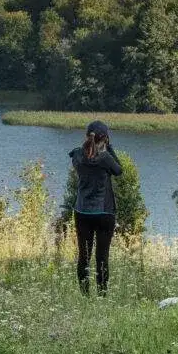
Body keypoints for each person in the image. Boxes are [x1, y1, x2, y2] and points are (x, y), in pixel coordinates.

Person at [68, 120, 122, 296]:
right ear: (105, 138)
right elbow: (119, 170)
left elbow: (77, 156)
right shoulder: (105, 158)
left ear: (87, 136)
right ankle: (102, 294)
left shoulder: (77, 155)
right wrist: (110, 147)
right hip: (104, 212)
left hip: (82, 211)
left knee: (84, 256)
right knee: (102, 256)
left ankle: (85, 295)